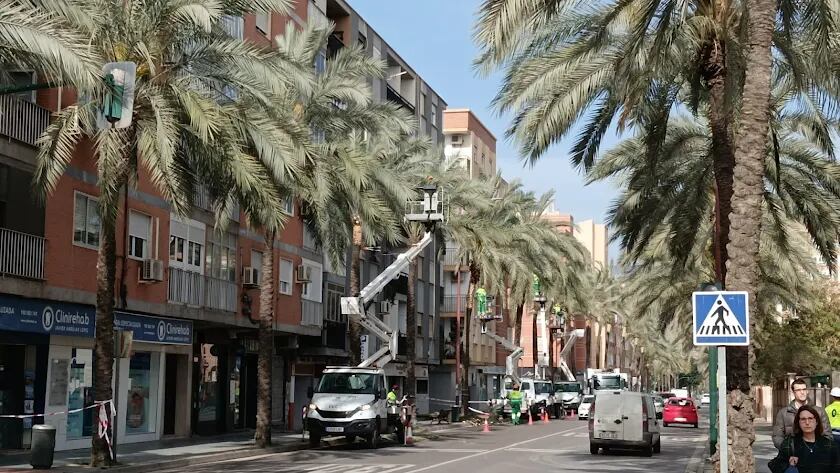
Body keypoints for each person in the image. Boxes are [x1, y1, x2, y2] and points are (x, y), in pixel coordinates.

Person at [771, 405, 840, 473]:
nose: (807, 423)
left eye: (810, 418)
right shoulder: (790, 444)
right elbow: (774, 465)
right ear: (798, 423)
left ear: (817, 422)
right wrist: (788, 465)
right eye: (803, 419)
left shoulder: (829, 445)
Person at [773, 378, 832, 449]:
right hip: (791, 456)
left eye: (804, 389)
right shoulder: (783, 413)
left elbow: (827, 436)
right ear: (793, 392)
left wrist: (815, 450)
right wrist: (788, 450)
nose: (802, 392)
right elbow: (777, 436)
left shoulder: (819, 411)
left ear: (807, 391)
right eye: (798, 390)